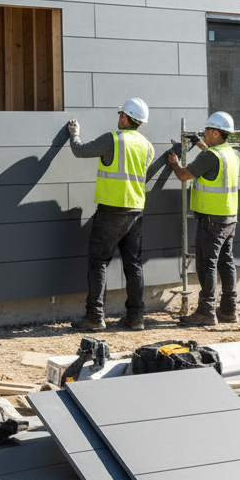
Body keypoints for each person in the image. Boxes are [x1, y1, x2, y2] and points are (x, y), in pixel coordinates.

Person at [68, 98, 155, 332]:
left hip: (111, 212)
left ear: (125, 118)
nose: (118, 118)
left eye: (120, 115)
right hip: (136, 212)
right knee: (133, 264)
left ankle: (95, 317)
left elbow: (80, 151)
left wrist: (74, 134)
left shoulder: (113, 139)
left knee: (98, 262)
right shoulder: (148, 146)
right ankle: (136, 317)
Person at [167, 111, 240, 326]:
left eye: (207, 132)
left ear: (216, 133)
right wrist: (199, 144)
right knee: (226, 263)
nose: (204, 134)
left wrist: (174, 162)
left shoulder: (210, 156)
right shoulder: (230, 153)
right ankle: (228, 310)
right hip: (229, 217)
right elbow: (212, 160)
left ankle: (206, 311)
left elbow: (183, 175)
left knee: (206, 264)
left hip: (211, 220)